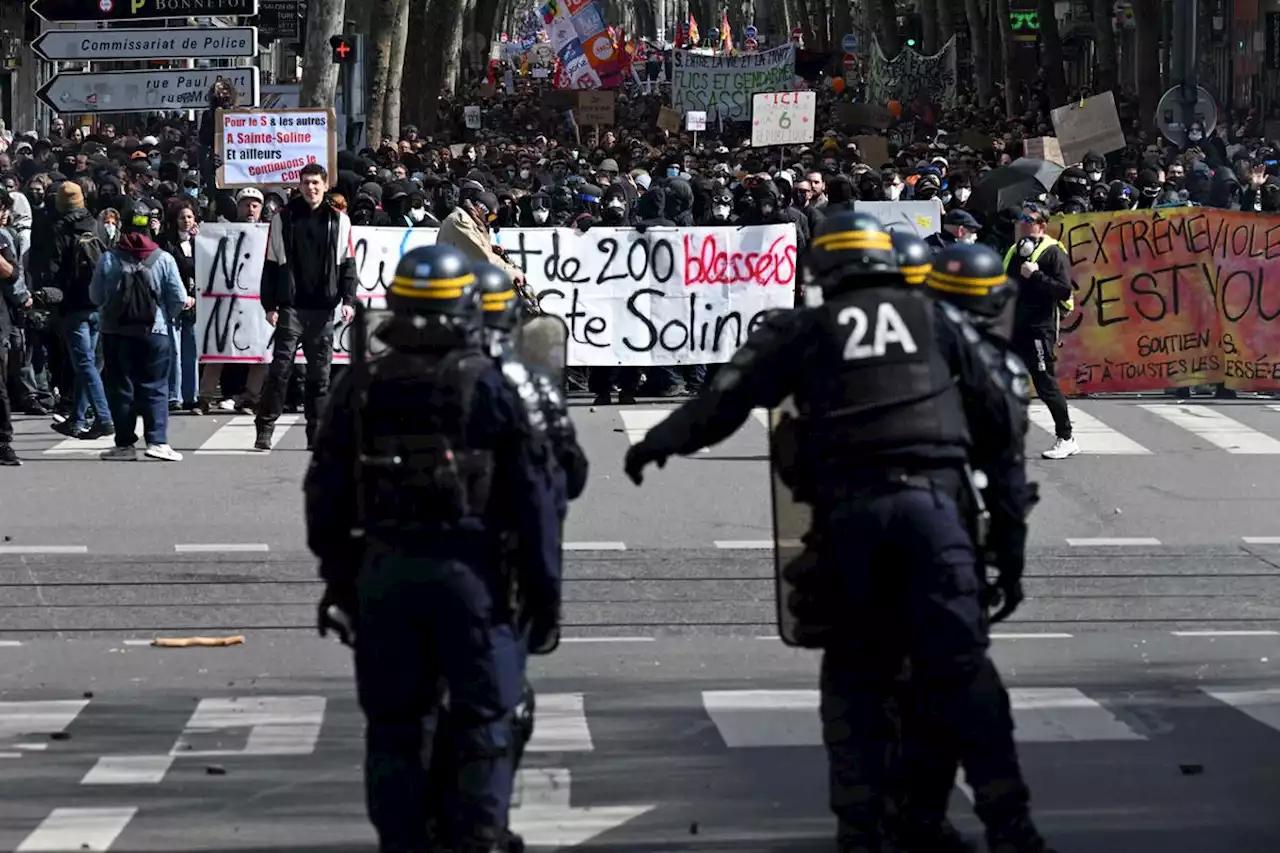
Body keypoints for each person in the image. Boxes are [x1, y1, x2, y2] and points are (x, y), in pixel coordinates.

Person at [623, 211, 1053, 853]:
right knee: (964, 674)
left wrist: (658, 442)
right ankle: (1010, 827)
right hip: (935, 516)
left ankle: (861, 832)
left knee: (855, 679)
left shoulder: (803, 328)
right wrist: (1009, 554)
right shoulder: (938, 322)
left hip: (849, 522)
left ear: (821, 269)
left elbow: (724, 399)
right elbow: (1001, 434)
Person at [304, 244, 562, 853]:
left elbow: (325, 495)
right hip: (475, 580)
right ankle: (478, 841)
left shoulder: (358, 383)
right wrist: (544, 595)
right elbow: (538, 502)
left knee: (394, 731)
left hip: (385, 575)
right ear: (468, 307)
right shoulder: (495, 384)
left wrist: (343, 581)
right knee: (482, 726)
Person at [254, 162, 357, 452]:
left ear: (325, 186)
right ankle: (265, 428)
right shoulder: (283, 219)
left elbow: (348, 263)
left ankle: (316, 434)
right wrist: (269, 304)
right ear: (299, 186)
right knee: (280, 370)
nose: (310, 188)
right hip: (291, 307)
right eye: (305, 183)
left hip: (323, 308)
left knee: (319, 376)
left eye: (316, 183)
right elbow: (271, 264)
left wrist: (349, 299)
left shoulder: (339, 221)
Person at [89, 199, 191, 462]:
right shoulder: (164, 258)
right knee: (156, 386)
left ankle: (124, 444)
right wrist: (164, 316)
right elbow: (178, 297)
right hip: (154, 332)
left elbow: (96, 295)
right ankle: (157, 441)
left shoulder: (108, 259)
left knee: (120, 387)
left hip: (115, 332)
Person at [1004, 201, 1076, 460]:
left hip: (1039, 328)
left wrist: (1035, 276)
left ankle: (1066, 437)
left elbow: (1064, 290)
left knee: (1044, 383)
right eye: (1021, 218)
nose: (1023, 223)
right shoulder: (1015, 249)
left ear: (1042, 226)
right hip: (1014, 325)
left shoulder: (1053, 252)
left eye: (1029, 219)